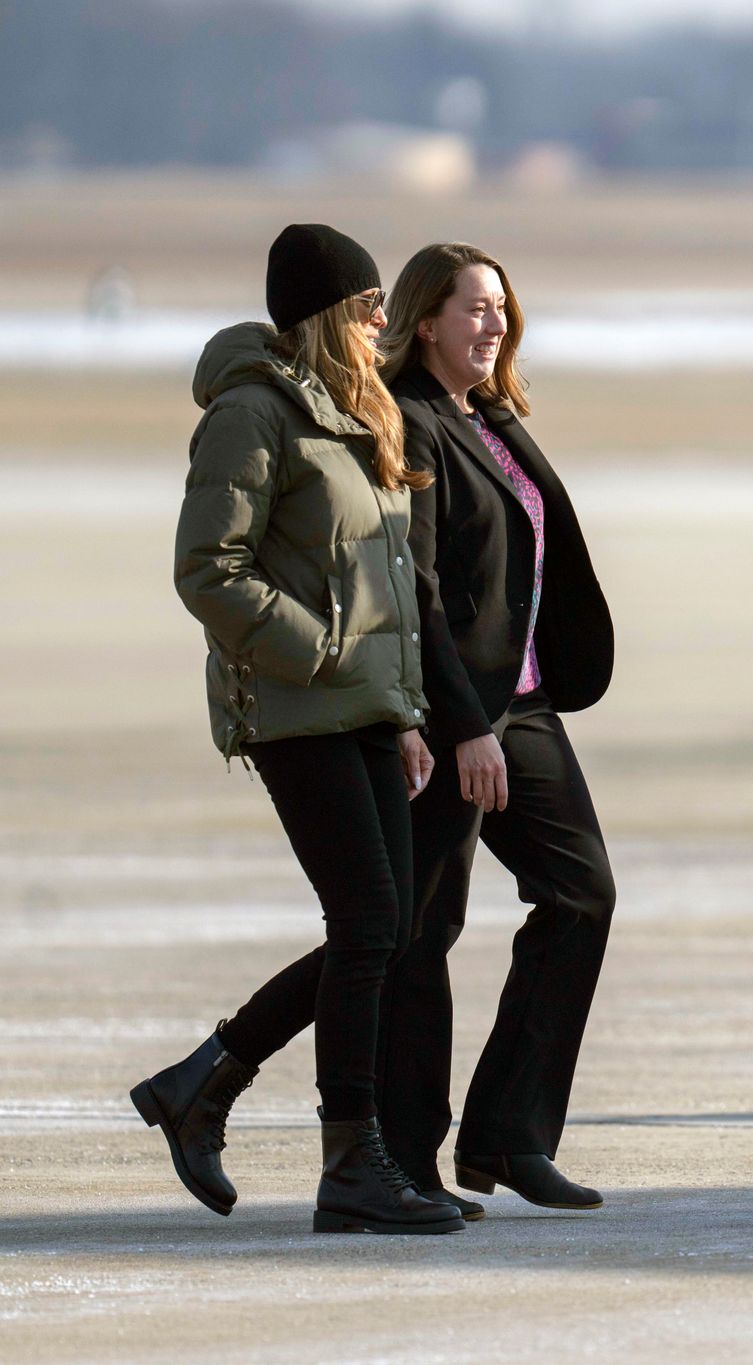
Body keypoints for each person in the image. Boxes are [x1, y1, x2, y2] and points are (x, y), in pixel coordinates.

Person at [136, 224, 465, 1235]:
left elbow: (389, 586)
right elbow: (209, 571)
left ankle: (206, 1079)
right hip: (292, 706)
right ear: (331, 314)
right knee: (370, 921)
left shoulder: (355, 415)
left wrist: (401, 708)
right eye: (368, 308)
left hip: (361, 708)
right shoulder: (253, 412)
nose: (383, 324)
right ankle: (347, 1161)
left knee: (386, 924)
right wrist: (318, 654)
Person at [376, 242, 616, 1215]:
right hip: (450, 718)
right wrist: (464, 725)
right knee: (422, 932)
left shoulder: (495, 417)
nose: (493, 324)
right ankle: (400, 1160)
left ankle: (509, 1138)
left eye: (502, 310)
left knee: (581, 895)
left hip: (523, 706)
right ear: (424, 319)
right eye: (474, 308)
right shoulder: (412, 424)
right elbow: (418, 593)